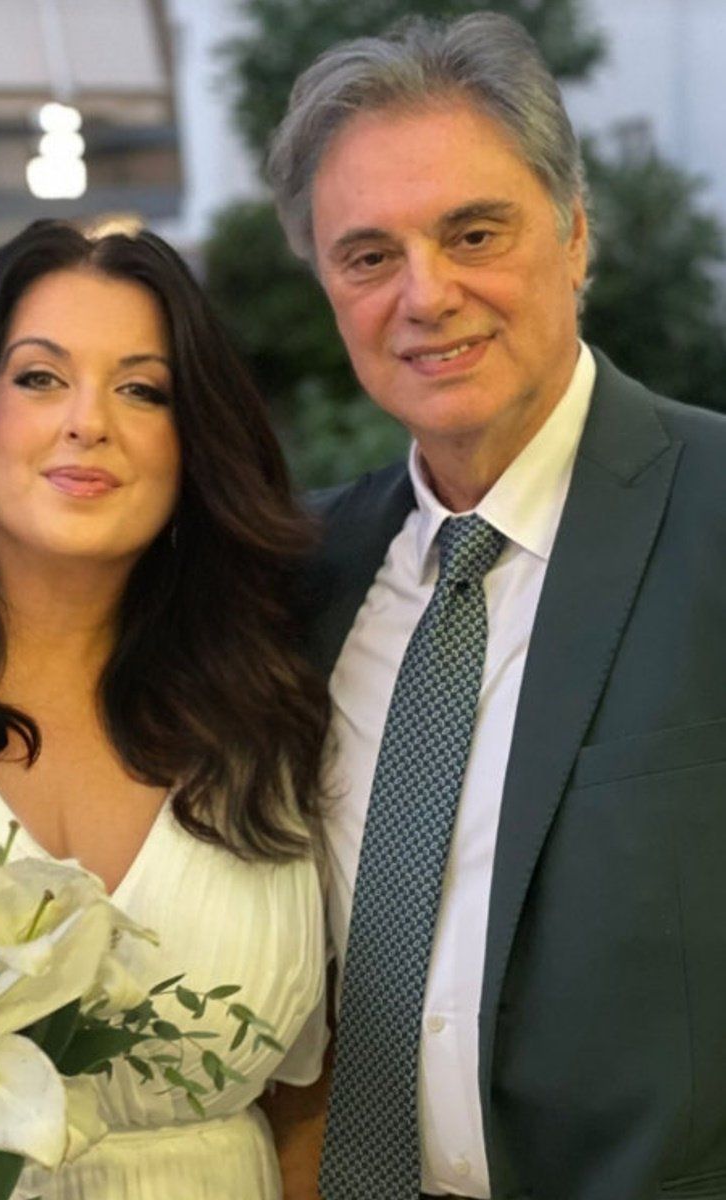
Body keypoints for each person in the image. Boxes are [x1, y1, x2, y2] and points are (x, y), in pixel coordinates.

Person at [266, 11, 726, 1200]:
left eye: (474, 233)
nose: (427, 295)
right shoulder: (294, 574)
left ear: (575, 235)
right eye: (369, 256)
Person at [0, 219, 331, 1199]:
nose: (88, 421)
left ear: (194, 443)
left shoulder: (274, 724)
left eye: (143, 390)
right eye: (39, 378)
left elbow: (308, 1098)